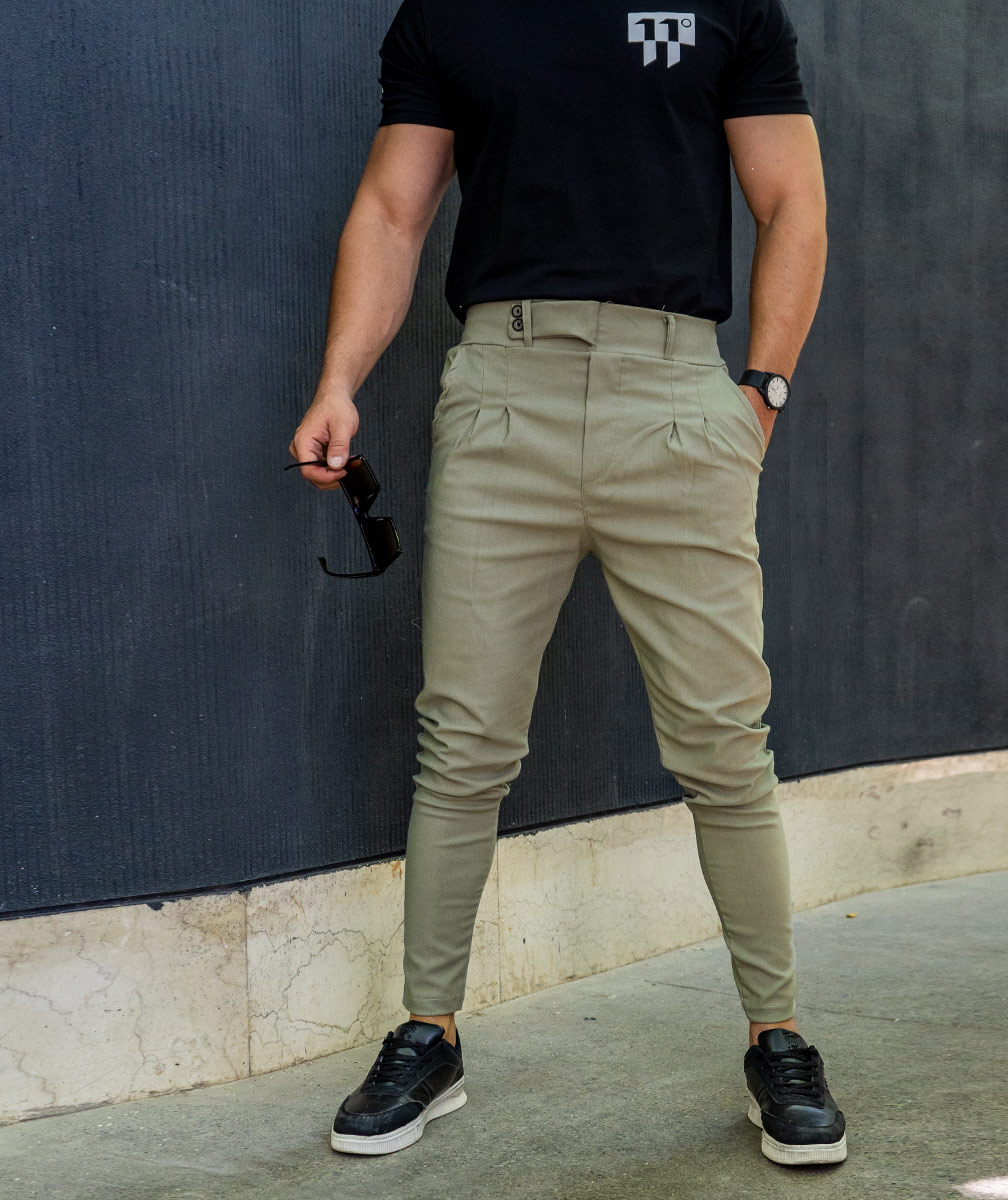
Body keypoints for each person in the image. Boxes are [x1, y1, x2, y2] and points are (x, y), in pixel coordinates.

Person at [287, 0, 839, 1168]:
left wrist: (762, 392)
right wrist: (340, 379)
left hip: (677, 393)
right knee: (464, 738)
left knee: (724, 741)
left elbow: (791, 198)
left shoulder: (730, 6)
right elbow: (393, 209)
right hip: (503, 390)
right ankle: (428, 1034)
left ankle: (779, 1037)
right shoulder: (448, 13)